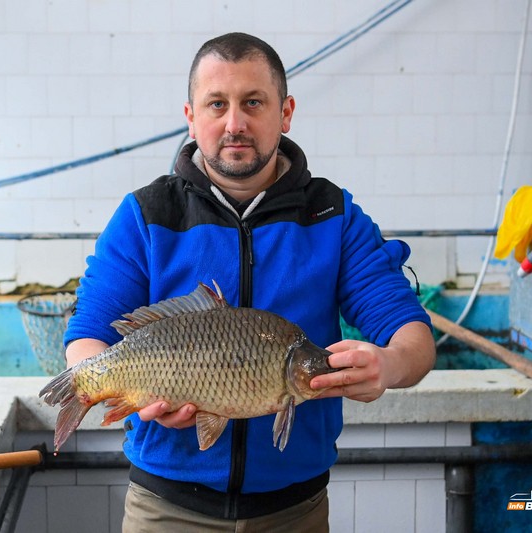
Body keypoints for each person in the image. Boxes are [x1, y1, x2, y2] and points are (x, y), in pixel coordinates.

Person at [63, 32, 436, 532]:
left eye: (253, 103)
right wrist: (120, 386)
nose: (234, 123)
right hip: (164, 510)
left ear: (285, 113)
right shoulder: (146, 216)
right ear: (191, 117)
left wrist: (388, 365)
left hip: (295, 511)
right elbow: (86, 338)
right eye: (217, 104)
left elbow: (413, 337)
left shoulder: (332, 215)